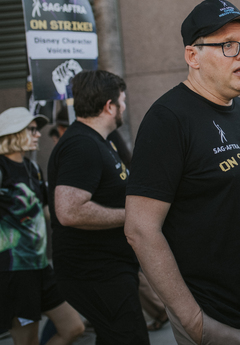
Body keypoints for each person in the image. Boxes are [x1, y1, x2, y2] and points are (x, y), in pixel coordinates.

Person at [124, 0, 240, 345]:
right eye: (227, 45)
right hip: (220, 321)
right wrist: (192, 319)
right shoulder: (168, 120)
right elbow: (140, 229)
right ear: (193, 57)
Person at [48, 70, 149, 345]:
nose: (124, 107)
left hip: (109, 270)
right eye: (122, 101)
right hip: (96, 273)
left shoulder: (98, 141)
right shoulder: (81, 145)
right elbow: (69, 211)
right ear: (109, 105)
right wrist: (133, 216)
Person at [0, 107, 84, 345]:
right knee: (28, 341)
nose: (38, 134)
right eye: (32, 129)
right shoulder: (2, 167)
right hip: (14, 273)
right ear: (13, 133)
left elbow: (47, 210)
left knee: (74, 328)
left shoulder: (32, 168)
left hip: (41, 267)